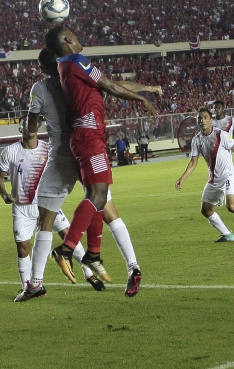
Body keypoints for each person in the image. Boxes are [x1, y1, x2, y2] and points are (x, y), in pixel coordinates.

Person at [25, 48, 146, 299]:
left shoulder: (40, 87)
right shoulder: (78, 78)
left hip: (63, 155)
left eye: (39, 65)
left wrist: (31, 123)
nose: (38, 69)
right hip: (88, 150)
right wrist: (143, 92)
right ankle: (131, 266)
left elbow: (31, 126)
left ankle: (36, 282)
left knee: (46, 221)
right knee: (106, 208)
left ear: (46, 67)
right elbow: (110, 84)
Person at [0, 116, 103, 300]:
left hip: (47, 203)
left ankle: (89, 273)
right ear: (20, 128)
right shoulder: (10, 152)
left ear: (38, 126)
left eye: (32, 122)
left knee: (69, 236)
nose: (29, 125)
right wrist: (5, 194)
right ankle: (29, 286)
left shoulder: (48, 149)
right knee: (23, 248)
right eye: (25, 123)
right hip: (22, 208)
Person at [174, 107, 234, 244]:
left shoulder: (221, 135)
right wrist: (182, 178)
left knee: (231, 205)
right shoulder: (196, 140)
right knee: (206, 210)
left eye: (205, 117)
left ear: (211, 120)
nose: (202, 120)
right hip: (214, 179)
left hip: (228, 175)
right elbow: (193, 162)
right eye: (200, 118)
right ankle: (227, 235)